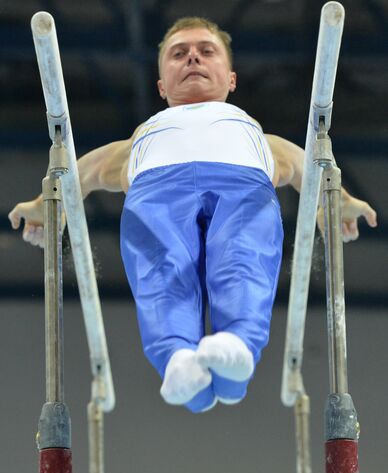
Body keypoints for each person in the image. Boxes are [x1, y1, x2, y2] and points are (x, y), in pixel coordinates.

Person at [8, 17, 377, 413]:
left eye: (206, 51)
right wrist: (47, 204)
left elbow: (310, 167)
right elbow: (84, 172)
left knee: (242, 258)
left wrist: (335, 201)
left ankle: (237, 344)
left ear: (231, 79)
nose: (193, 59)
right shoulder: (142, 135)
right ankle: (176, 360)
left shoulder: (255, 133)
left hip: (243, 188)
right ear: (161, 86)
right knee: (163, 271)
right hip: (157, 194)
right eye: (179, 54)